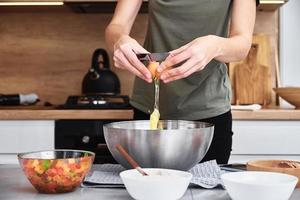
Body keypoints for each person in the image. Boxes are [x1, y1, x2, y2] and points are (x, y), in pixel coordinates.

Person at [105, 0, 256, 164]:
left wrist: (215, 45)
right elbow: (117, 25)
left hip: (210, 110)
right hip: (150, 107)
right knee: (147, 185)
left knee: (208, 188)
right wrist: (120, 40)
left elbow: (242, 44)